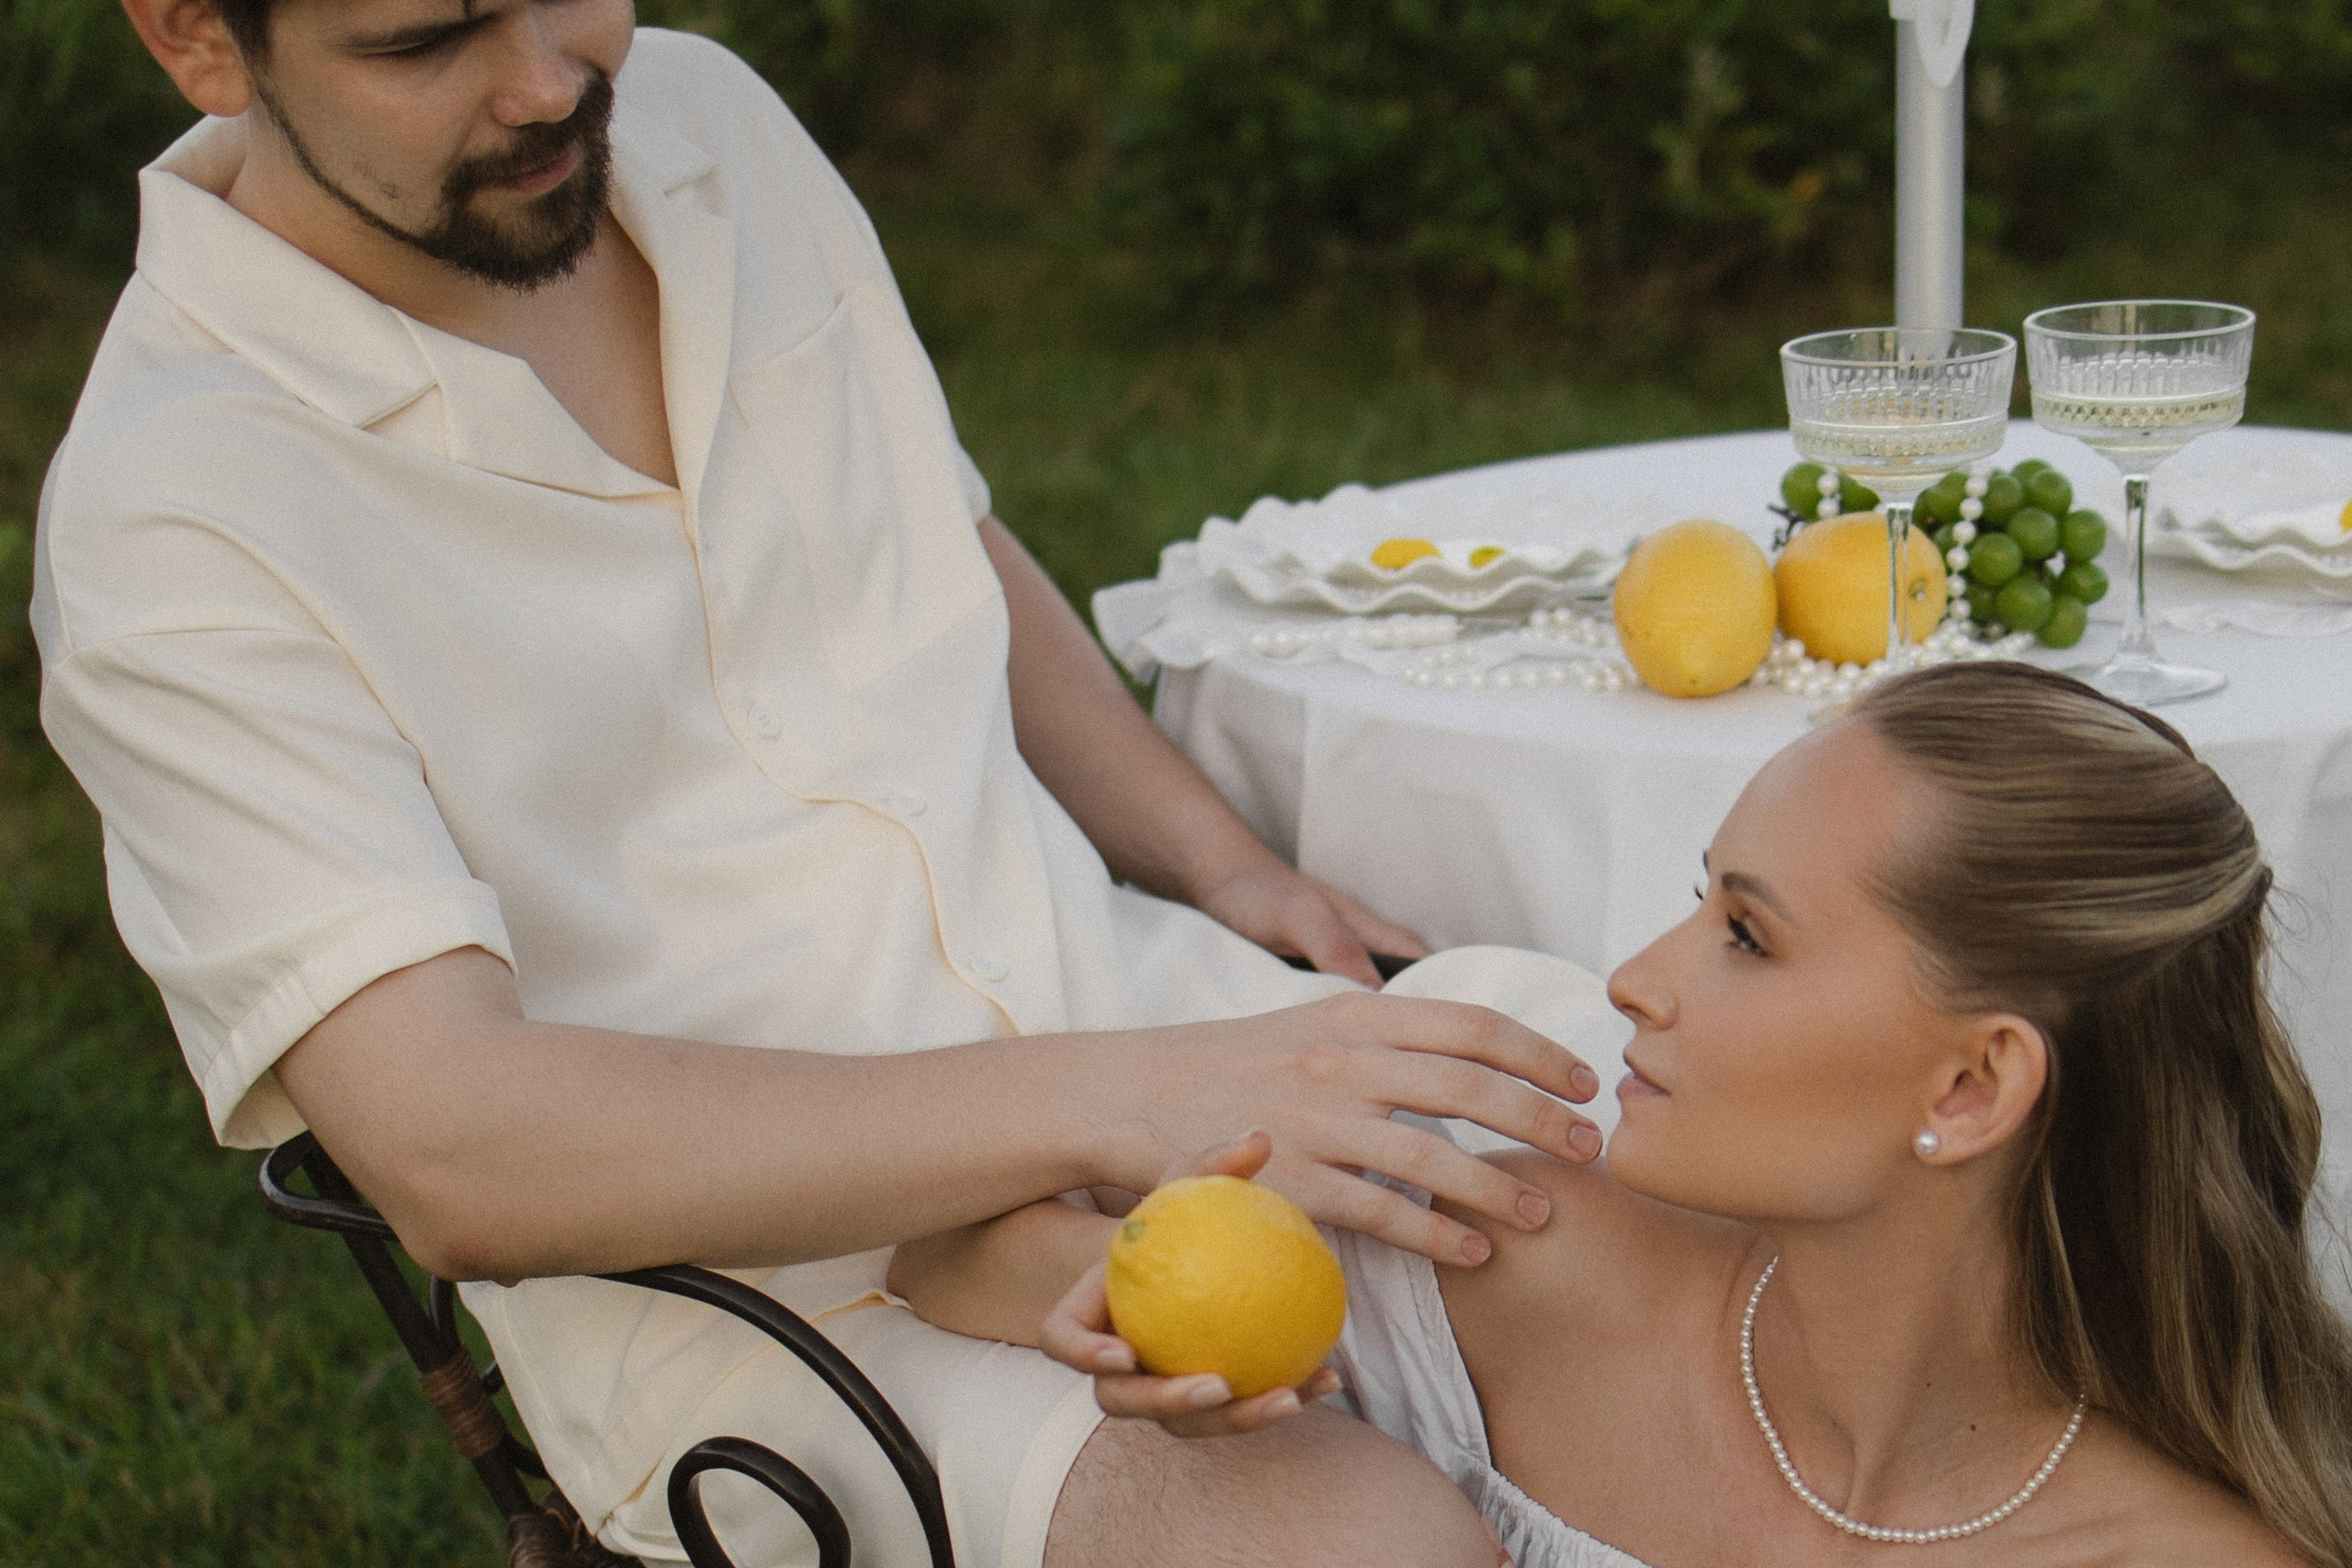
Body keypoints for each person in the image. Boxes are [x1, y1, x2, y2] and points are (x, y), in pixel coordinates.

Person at [34, 2, 1612, 1563]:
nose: (543, 81)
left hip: (1132, 1014)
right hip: (773, 1309)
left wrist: (1214, 856)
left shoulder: (708, 120)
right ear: (198, 38)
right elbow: (455, 1150)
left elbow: (929, 532)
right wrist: (1120, 1104)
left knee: (1722, 1146)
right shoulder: (173, 518)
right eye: (424, 41)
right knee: (1363, 1548)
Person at [894, 664, 2352, 1567]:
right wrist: (1127, 1317)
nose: (1637, 981)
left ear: (1971, 1089)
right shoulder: (1529, 1245)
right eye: (1696, 900)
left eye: (1747, 936)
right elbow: (941, 1262)